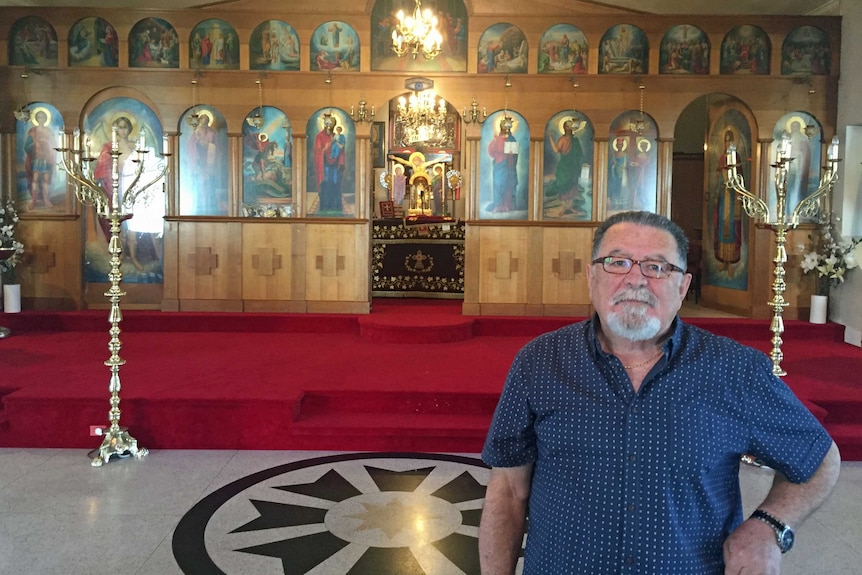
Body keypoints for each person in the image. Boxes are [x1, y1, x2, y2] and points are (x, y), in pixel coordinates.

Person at [479, 210, 841, 575]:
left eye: (656, 267)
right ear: (591, 277)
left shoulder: (736, 370)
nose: (635, 280)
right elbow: (508, 490)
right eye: (617, 262)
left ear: (682, 287)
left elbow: (820, 460)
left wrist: (770, 526)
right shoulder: (540, 362)